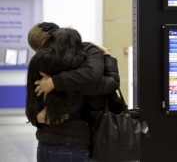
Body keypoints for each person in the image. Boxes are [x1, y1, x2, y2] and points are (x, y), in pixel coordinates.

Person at [25, 24, 120, 162]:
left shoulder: (39, 64)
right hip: (74, 142)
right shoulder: (84, 58)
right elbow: (111, 83)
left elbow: (31, 105)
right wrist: (106, 56)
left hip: (45, 143)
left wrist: (54, 82)